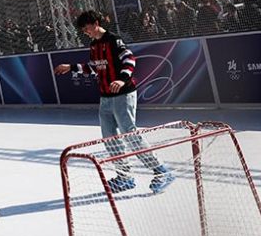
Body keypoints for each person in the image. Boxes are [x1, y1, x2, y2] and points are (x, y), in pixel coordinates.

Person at [54, 10, 174, 194]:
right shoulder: (94, 45)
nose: (85, 32)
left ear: (95, 23)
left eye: (86, 28)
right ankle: (124, 177)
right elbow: (94, 68)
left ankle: (161, 171)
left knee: (130, 134)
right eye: (83, 30)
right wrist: (70, 67)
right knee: (109, 138)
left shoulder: (113, 40)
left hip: (123, 94)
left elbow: (129, 59)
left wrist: (122, 79)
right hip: (105, 97)